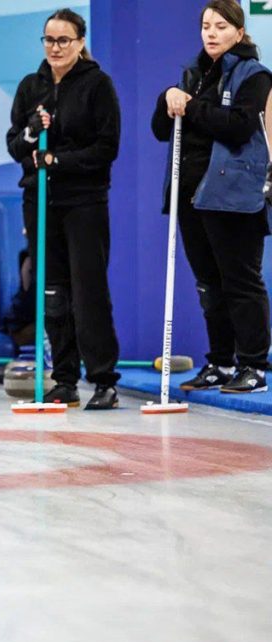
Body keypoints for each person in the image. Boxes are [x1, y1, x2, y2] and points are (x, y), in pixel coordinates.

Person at [151, 0, 271, 394]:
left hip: (233, 195)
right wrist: (167, 97)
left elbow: (238, 126)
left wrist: (191, 107)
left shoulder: (255, 75)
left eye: (221, 26)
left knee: (240, 281)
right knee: (209, 284)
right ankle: (220, 361)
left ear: (238, 31)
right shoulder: (191, 75)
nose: (212, 33)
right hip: (190, 194)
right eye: (206, 26)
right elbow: (160, 129)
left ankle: (253, 364)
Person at [5, 8, 121, 409]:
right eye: (49, 40)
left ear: (80, 42)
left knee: (88, 293)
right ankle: (65, 379)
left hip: (84, 202)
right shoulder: (30, 86)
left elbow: (107, 149)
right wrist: (31, 132)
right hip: (39, 200)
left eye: (64, 40)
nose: (55, 47)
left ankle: (104, 380)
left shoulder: (97, 85)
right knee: (52, 293)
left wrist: (58, 160)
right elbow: (15, 145)